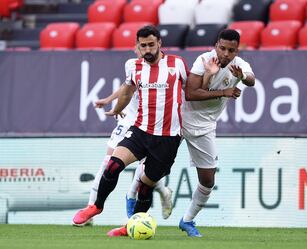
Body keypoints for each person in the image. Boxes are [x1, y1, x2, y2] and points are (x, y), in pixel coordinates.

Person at [72, 25, 188, 236]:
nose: (147, 49)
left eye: (151, 44)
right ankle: (96, 206)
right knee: (113, 164)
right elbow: (128, 90)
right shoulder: (134, 66)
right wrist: (115, 108)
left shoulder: (177, 64)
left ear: (159, 43)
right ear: (137, 46)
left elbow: (192, 90)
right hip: (140, 130)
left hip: (167, 138)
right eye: (142, 46)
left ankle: (130, 226)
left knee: (145, 185)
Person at [179, 29, 255, 237]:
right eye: (222, 48)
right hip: (179, 121)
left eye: (231, 50)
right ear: (216, 45)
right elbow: (191, 94)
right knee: (156, 166)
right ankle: (133, 199)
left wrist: (243, 77)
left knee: (208, 180)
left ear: (236, 51)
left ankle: (187, 220)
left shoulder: (240, 65)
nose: (225, 54)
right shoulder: (202, 60)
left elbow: (251, 80)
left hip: (205, 127)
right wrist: (224, 91)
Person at [71, 87, 173, 227]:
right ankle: (91, 208)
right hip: (128, 119)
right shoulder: (133, 64)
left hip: (149, 123)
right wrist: (109, 100)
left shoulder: (166, 68)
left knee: (146, 172)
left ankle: (157, 197)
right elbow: (128, 86)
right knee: (109, 163)